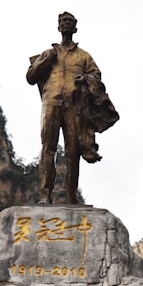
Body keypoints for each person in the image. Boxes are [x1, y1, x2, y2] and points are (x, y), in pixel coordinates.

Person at [26, 12, 119, 204]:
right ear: (58, 27)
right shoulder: (48, 53)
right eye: (62, 21)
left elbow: (96, 76)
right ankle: (45, 196)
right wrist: (44, 61)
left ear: (75, 28)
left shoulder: (83, 56)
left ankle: (71, 197)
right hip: (51, 102)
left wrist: (85, 78)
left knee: (73, 150)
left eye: (69, 22)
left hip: (74, 105)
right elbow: (30, 77)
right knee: (47, 148)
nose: (65, 24)